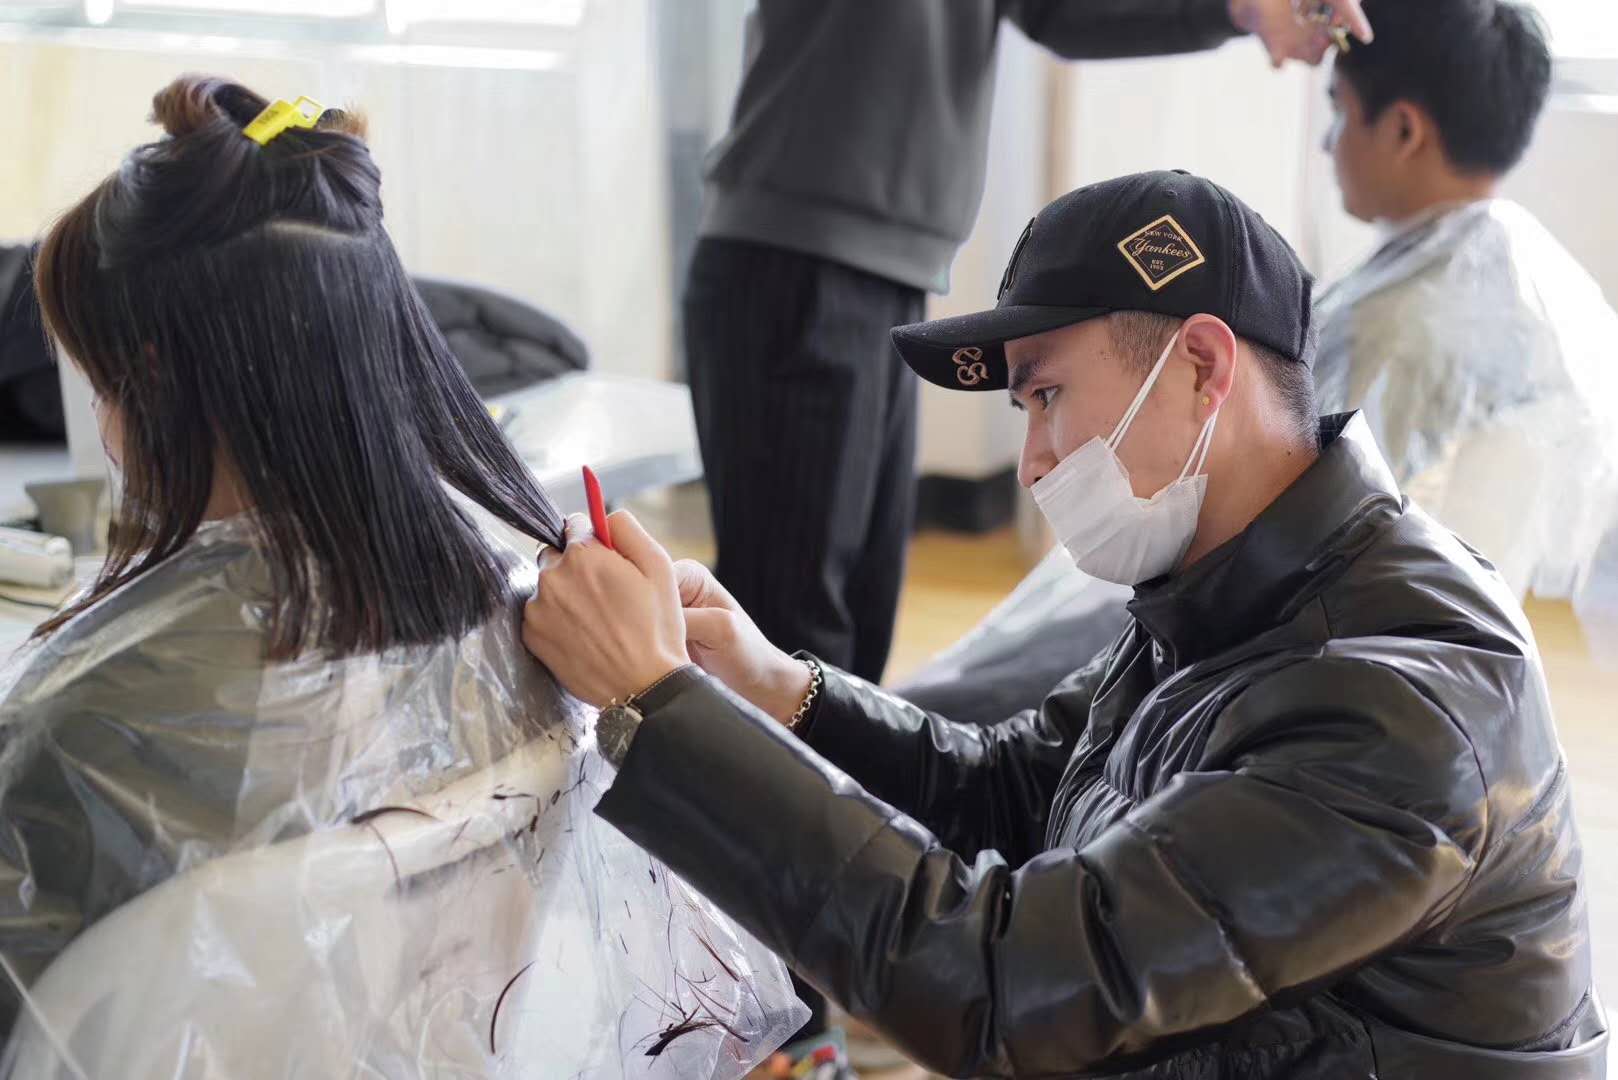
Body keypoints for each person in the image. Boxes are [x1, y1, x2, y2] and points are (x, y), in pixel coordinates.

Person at [525, 170, 1606, 1077]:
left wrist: (661, 708)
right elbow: (1013, 792)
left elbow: (1008, 989)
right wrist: (780, 692)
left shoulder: (1394, 708)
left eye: (1045, 396)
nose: (1033, 461)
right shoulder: (1229, 593)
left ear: (1201, 367)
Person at [0, 76, 801, 1077]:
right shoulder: (539, 632)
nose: (107, 429)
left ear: (154, 378)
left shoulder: (88, 724)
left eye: (102, 387)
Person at [684, 0, 1371, 690]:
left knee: (850, 633)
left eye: (1047, 396)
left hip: (885, 264)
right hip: (795, 251)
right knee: (789, 635)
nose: (1031, 471)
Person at [1318, 0, 1618, 652]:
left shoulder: (1393, 322)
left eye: (1338, 110)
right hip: (1477, 646)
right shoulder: (1546, 285)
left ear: (1404, 130)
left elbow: (1309, 539)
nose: (1326, 141)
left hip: (1350, 654)